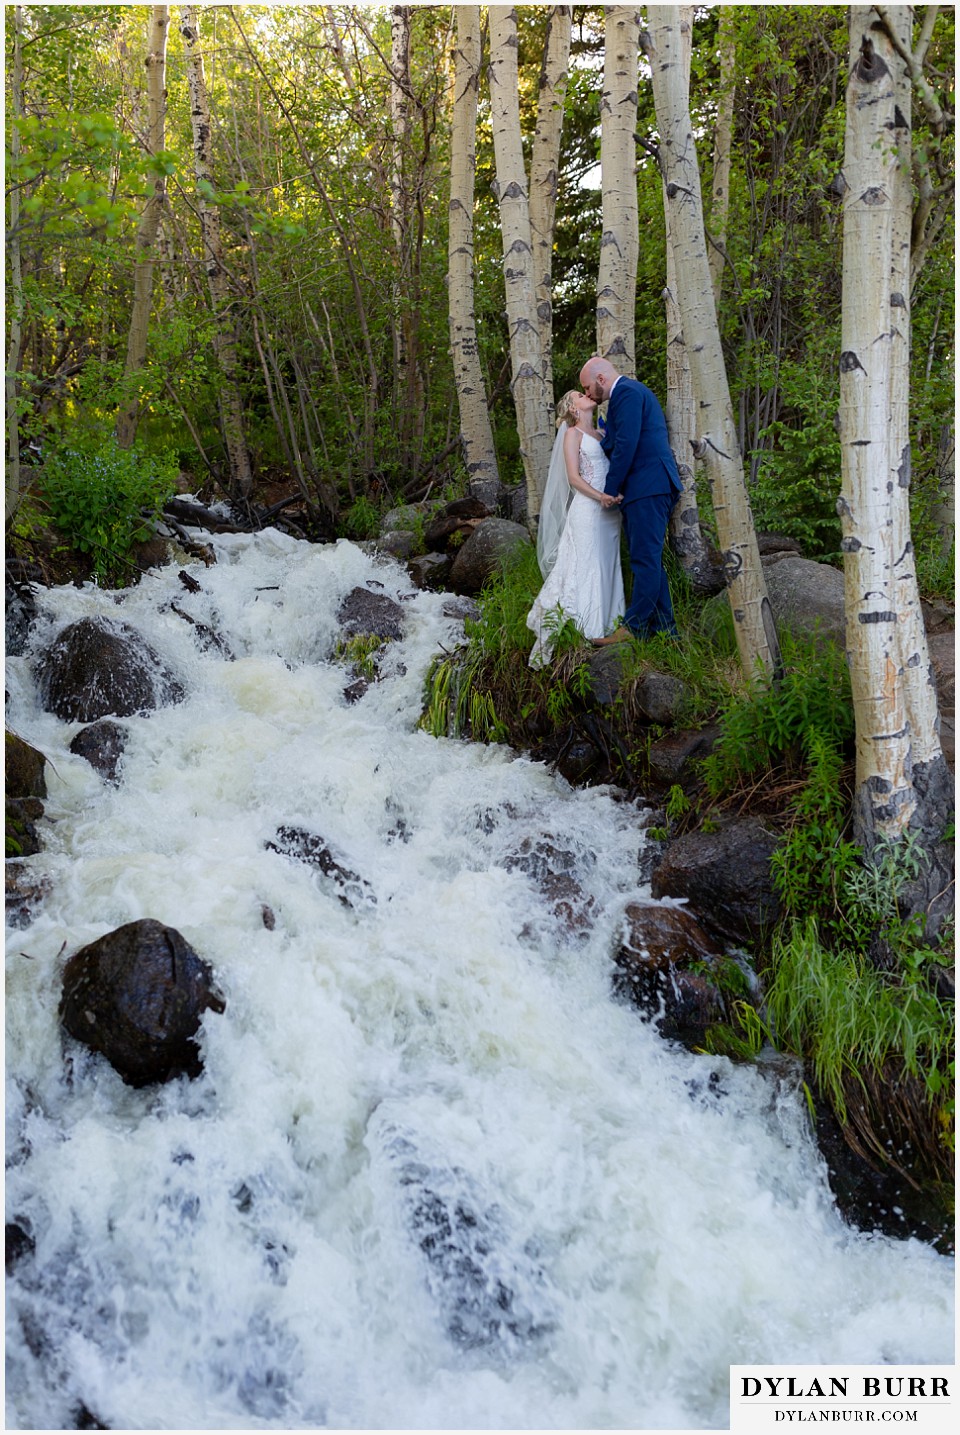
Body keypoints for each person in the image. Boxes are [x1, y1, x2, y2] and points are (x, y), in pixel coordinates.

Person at [578, 355, 681, 644]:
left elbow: (626, 444)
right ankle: (665, 631)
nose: (587, 394)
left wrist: (611, 488)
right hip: (647, 485)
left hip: (648, 485)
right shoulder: (630, 394)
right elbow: (619, 439)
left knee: (644, 560)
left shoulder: (627, 393)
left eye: (587, 388)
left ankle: (633, 628)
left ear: (600, 379)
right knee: (649, 560)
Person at [526, 390, 626, 668]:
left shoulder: (601, 435)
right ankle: (587, 630)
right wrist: (601, 496)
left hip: (610, 513)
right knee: (587, 565)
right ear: (573, 407)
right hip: (589, 510)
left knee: (608, 563)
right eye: (580, 395)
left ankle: (609, 624)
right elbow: (573, 478)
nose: (587, 395)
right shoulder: (572, 434)